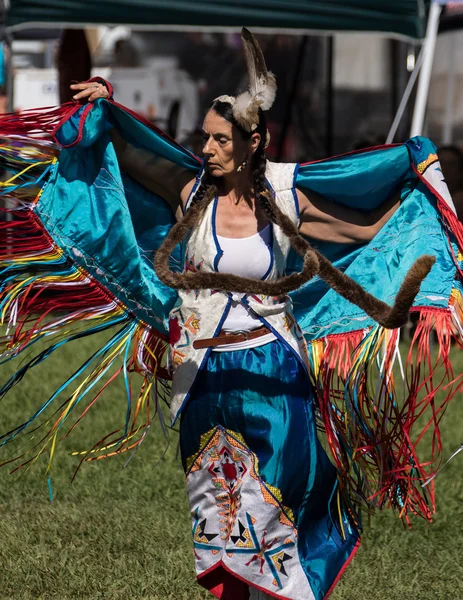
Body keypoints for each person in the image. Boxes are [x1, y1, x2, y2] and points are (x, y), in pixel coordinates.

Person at [0, 29, 461, 600]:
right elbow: (126, 150)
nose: (208, 149)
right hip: (203, 376)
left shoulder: (289, 198)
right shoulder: (190, 193)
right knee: (217, 510)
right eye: (206, 140)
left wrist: (419, 192)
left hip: (274, 371)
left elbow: (366, 231)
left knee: (279, 498)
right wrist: (104, 103)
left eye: (219, 140)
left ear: (251, 141)